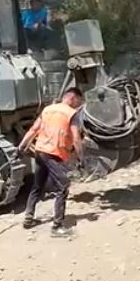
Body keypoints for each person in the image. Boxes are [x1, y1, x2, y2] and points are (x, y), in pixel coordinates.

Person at [18, 87, 85, 237]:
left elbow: (33, 130)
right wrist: (81, 157)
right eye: (78, 101)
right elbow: (76, 138)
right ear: (72, 98)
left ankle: (28, 218)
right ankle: (57, 226)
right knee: (63, 186)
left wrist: (21, 147)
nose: (77, 105)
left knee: (38, 185)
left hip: (40, 151)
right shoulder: (71, 114)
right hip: (53, 154)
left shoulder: (48, 109)